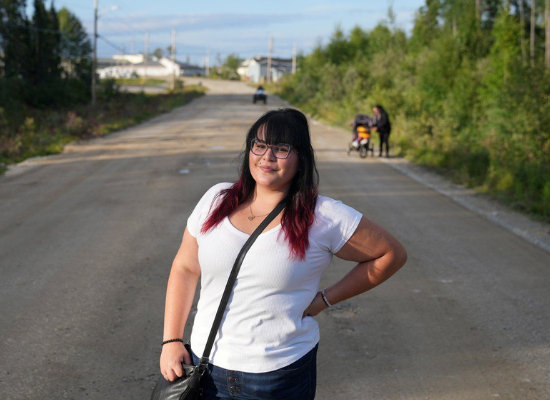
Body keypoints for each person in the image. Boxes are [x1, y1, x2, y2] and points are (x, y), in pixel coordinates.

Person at [159, 108, 407, 399]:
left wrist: (325, 299)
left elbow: (391, 254)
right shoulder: (216, 199)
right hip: (205, 368)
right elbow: (185, 268)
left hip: (277, 375)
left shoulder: (323, 216)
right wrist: (171, 340)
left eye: (281, 148)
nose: (267, 157)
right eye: (260, 145)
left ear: (301, 157)